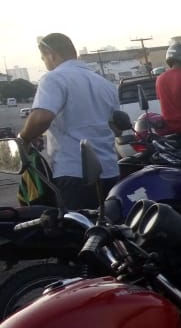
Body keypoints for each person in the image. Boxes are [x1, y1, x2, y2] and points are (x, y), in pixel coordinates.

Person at [16, 33, 121, 209]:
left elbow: (42, 117)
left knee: (79, 231)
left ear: (51, 54)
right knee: (110, 228)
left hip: (74, 173)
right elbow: (116, 129)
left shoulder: (54, 78)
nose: (45, 63)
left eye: (43, 58)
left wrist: (24, 138)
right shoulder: (104, 84)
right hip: (110, 171)